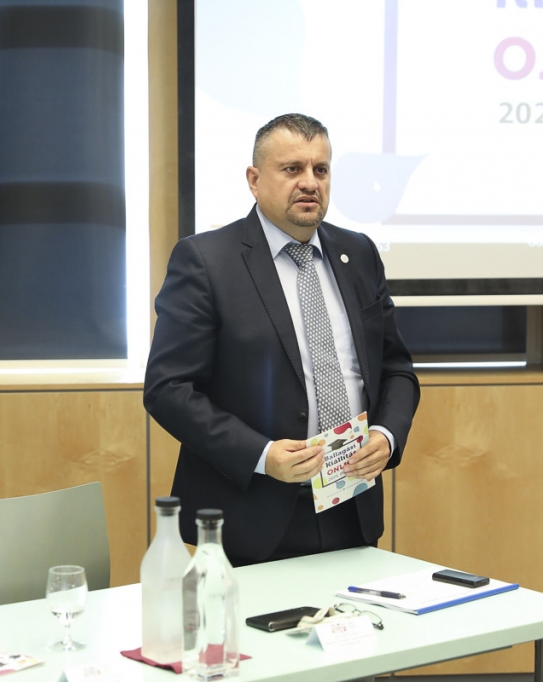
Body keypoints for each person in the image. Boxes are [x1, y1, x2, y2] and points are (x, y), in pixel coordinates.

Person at [144, 113, 420, 566]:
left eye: (320, 169)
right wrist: (262, 454)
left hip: (351, 502)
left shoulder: (359, 254)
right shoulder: (206, 261)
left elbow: (396, 369)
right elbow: (168, 389)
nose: (310, 182)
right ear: (254, 180)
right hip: (251, 512)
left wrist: (387, 436)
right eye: (292, 169)